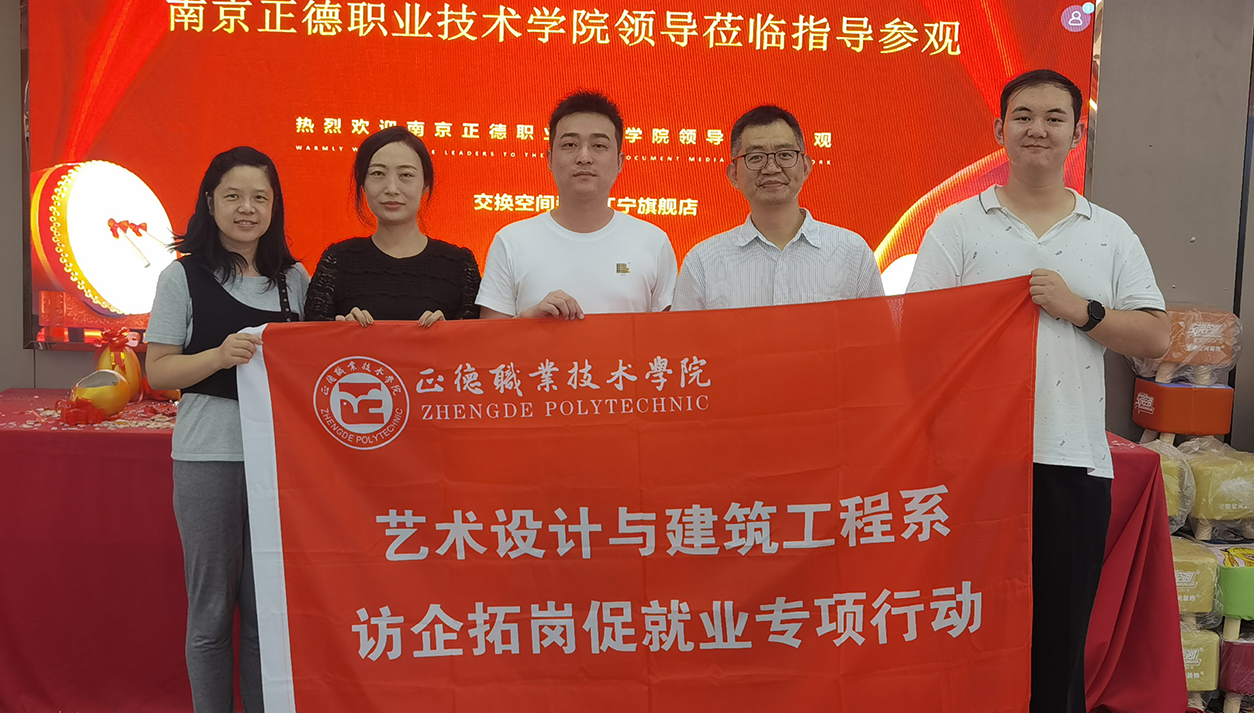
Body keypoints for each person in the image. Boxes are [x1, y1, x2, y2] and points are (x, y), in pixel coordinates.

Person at [903, 69, 1168, 713]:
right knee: (970, 631)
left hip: (1072, 460)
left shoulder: (1109, 231)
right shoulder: (958, 226)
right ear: (999, 130)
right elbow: (917, 337)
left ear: (1077, 135)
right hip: (976, 464)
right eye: (1023, 116)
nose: (1037, 129)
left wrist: (1082, 310)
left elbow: (1156, 337)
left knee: (1058, 640)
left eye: (1054, 118)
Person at [144, 146, 309, 713]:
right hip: (208, 459)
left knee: (266, 614)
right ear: (210, 202)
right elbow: (158, 370)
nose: (247, 209)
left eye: (260, 198)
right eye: (234, 196)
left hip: (277, 467)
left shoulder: (293, 279)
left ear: (274, 207)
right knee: (211, 615)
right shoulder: (182, 276)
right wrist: (217, 356)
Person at [477, 90, 676, 319]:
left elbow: (670, 336)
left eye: (599, 146)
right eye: (570, 144)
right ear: (549, 159)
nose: (584, 158)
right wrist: (528, 320)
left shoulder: (653, 242)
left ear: (619, 162)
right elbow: (489, 337)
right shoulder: (511, 242)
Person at [674, 103, 884, 310]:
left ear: (805, 166)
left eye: (784, 155)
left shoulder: (851, 251)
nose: (771, 168)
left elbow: (877, 331)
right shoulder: (703, 262)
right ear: (733, 175)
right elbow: (683, 334)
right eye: (756, 158)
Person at [306, 127, 482, 326]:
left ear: (425, 184)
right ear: (362, 183)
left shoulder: (459, 265)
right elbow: (310, 339)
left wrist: (448, 333)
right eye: (378, 173)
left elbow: (477, 341)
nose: (391, 188)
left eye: (406, 175)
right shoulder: (337, 260)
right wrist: (340, 331)